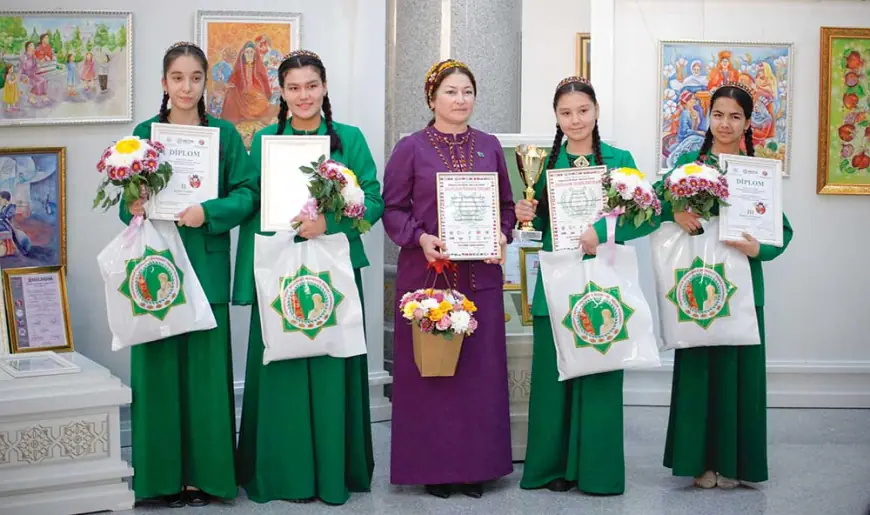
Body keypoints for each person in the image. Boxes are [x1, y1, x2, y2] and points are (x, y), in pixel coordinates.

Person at [233, 49, 383, 506]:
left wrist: (330, 224)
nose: (303, 95)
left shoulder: (349, 140)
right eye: (294, 87)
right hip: (279, 269)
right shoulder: (263, 141)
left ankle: (333, 471)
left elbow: (372, 201)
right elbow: (252, 199)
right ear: (280, 90)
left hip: (333, 268)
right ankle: (282, 474)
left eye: (311, 86)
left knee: (330, 363)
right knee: (282, 366)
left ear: (324, 87)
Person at [120, 41, 259, 508]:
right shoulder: (145, 133)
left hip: (205, 263)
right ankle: (160, 480)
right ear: (164, 83)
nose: (186, 86)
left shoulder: (222, 133)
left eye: (195, 78)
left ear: (205, 83)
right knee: (157, 371)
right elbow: (127, 204)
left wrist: (209, 211)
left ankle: (206, 478)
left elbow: (247, 194)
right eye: (177, 78)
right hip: (156, 266)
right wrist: (134, 204)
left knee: (204, 375)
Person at [382, 58, 515, 500]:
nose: (461, 100)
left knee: (478, 374)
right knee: (432, 374)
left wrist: (501, 231)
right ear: (432, 98)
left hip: (481, 280)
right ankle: (435, 469)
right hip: (429, 279)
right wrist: (420, 238)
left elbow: (507, 206)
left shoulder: (490, 146)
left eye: (467, 92)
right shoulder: (411, 148)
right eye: (451, 92)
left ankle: (476, 467)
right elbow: (393, 210)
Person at [517, 77, 651, 496]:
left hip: (603, 284)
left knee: (600, 376)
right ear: (556, 117)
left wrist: (602, 230)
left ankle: (596, 471)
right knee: (552, 380)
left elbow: (641, 215)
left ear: (596, 111)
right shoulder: (547, 164)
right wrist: (526, 212)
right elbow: (538, 224)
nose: (575, 120)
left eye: (583, 111)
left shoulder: (618, 159)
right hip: (557, 281)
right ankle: (550, 468)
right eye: (565, 113)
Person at [659, 81, 793, 489]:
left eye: (735, 116)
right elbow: (652, 202)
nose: (725, 123)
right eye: (718, 114)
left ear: (748, 122)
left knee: (739, 375)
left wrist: (758, 249)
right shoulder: (687, 169)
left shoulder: (757, 172)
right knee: (700, 371)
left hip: (743, 284)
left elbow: (781, 232)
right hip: (698, 283)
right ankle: (698, 462)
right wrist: (675, 209)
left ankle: (734, 462)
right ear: (708, 117)